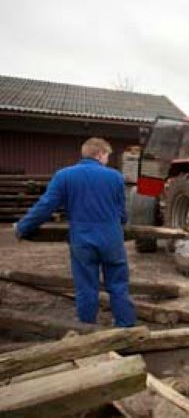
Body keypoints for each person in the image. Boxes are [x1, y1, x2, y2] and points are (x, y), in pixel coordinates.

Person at [15, 137, 136, 327]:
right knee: (118, 285)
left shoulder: (64, 176)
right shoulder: (115, 177)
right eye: (107, 156)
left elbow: (46, 206)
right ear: (100, 154)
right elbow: (122, 214)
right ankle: (126, 328)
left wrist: (23, 227)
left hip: (82, 240)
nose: (107, 161)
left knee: (86, 286)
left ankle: (86, 330)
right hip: (112, 240)